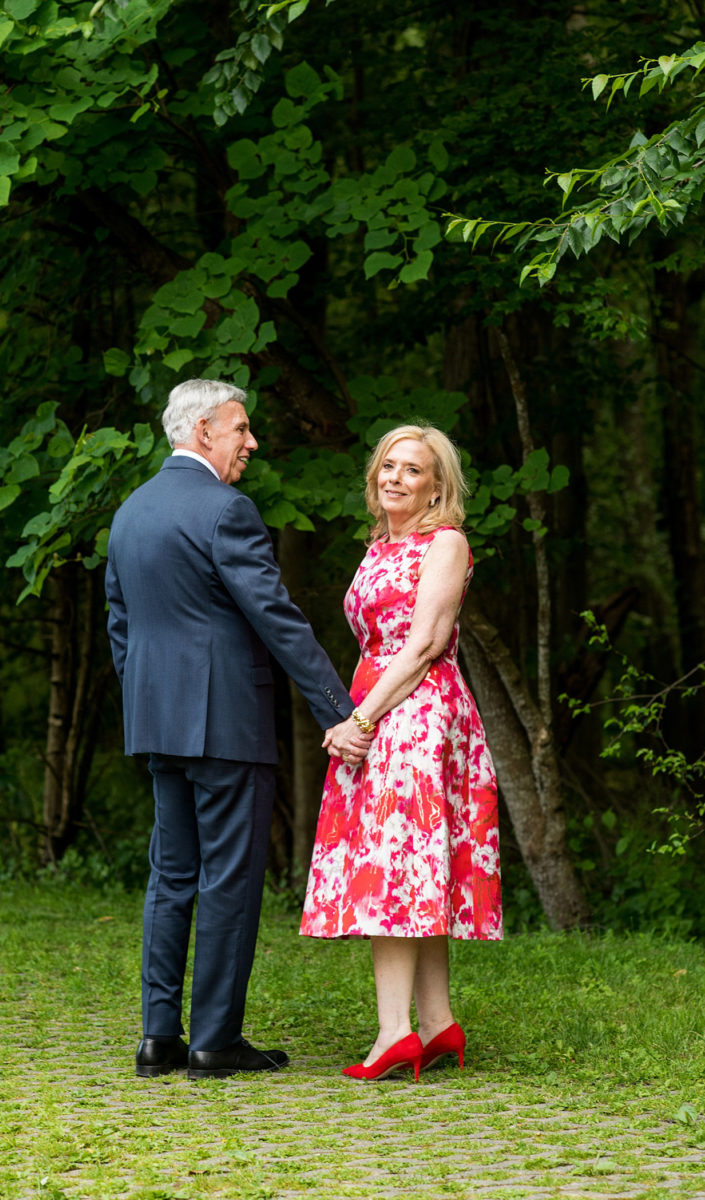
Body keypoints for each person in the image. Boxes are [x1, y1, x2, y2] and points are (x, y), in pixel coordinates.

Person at [105, 378, 371, 1081]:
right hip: (224, 721)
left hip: (157, 722)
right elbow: (274, 617)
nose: (250, 442)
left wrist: (146, 699)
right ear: (201, 432)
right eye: (240, 429)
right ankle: (213, 1044)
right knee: (228, 880)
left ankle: (158, 1038)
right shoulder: (226, 509)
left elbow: (120, 625)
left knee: (170, 877)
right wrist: (336, 709)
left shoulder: (130, 512)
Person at [300, 423, 502, 1082]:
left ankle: (394, 1034)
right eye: (387, 466)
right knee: (413, 869)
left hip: (416, 715)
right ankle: (438, 1025)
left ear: (436, 485)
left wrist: (359, 717)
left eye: (411, 470)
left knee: (395, 872)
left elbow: (422, 645)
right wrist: (357, 715)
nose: (394, 477)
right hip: (380, 709)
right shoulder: (379, 545)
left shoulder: (444, 543)